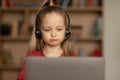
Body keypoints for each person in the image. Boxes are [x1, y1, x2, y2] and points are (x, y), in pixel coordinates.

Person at [16, 3, 77, 80]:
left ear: (66, 31)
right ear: (39, 32)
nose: (53, 34)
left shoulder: (73, 58)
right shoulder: (33, 58)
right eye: (47, 30)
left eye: (59, 29)